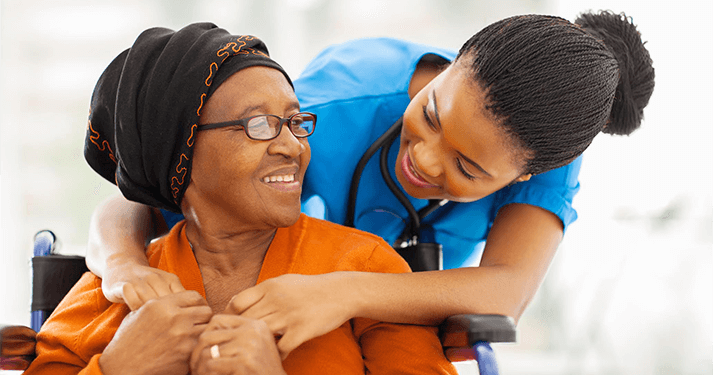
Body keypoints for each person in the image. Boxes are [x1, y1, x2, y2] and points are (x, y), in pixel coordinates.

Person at [86, 11, 655, 358]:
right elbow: (134, 200)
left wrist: (343, 290)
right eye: (430, 114)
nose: (426, 162)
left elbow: (506, 291)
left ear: (524, 175)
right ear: (452, 65)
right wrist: (123, 267)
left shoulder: (545, 152)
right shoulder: (332, 107)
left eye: (468, 169)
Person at [24, 23, 457, 375]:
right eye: (259, 125)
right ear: (181, 152)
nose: (293, 145)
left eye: (294, 120)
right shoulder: (114, 289)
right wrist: (117, 368)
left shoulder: (364, 269)